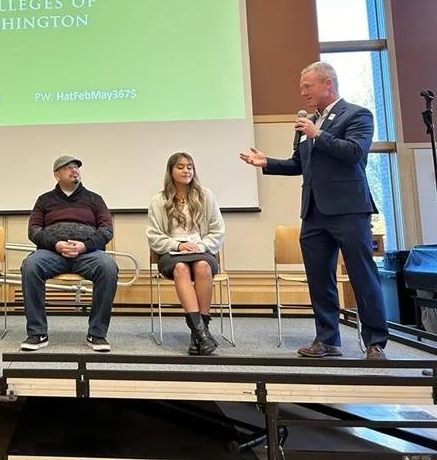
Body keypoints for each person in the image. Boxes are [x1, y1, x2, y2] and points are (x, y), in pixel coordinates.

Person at [239, 61, 388, 360]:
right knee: (319, 278)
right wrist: (267, 162)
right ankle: (327, 339)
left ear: (327, 84)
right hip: (314, 211)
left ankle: (375, 342)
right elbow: (299, 163)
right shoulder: (308, 122)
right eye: (301, 87)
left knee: (362, 275)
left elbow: (355, 153)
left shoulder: (357, 114)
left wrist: (318, 133)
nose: (302, 92)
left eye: (307, 86)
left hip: (349, 210)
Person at [20, 155, 118, 352]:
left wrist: (84, 246)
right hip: (51, 254)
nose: (75, 171)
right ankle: (37, 332)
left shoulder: (94, 199)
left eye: (76, 167)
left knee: (108, 267)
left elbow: (107, 230)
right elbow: (34, 231)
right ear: (57, 175)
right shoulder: (44, 200)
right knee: (30, 265)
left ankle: (97, 333)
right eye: (68, 168)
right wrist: (56, 245)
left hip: (88, 254)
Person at [146, 152, 226, 355]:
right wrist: (178, 245)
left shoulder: (206, 195)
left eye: (189, 166)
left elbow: (218, 230)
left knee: (202, 266)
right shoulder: (159, 200)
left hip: (201, 251)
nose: (186, 170)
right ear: (171, 172)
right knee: (181, 268)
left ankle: (198, 335)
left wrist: (200, 246)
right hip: (172, 254)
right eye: (180, 167)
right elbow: (154, 236)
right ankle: (202, 333)